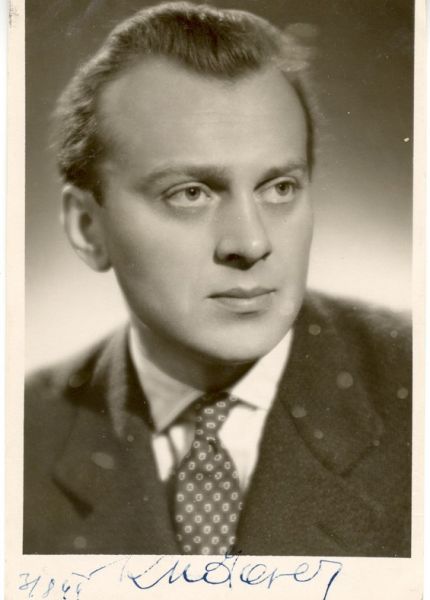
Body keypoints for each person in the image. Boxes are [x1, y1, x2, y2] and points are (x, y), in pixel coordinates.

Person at [24, 2, 411, 557]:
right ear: (88, 229)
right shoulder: (23, 437)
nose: (251, 244)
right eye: (190, 193)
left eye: (279, 188)